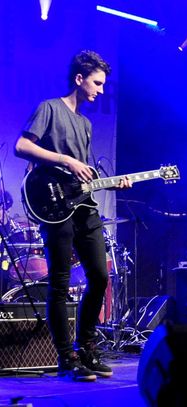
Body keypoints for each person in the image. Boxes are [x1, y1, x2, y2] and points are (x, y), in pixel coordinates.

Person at [14, 50, 131, 381]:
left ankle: (87, 348)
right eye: (97, 83)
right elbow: (22, 146)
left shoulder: (85, 124)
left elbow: (83, 177)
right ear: (79, 79)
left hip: (83, 206)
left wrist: (111, 183)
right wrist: (65, 160)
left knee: (100, 276)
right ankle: (67, 358)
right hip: (54, 206)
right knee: (60, 282)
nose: (101, 90)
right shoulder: (49, 108)